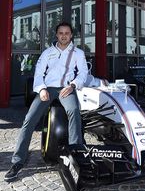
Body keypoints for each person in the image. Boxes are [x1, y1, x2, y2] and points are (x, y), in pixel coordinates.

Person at [5, 22, 88, 181]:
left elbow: (83, 74)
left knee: (74, 111)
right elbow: (38, 73)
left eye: (67, 33)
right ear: (56, 35)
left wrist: (72, 85)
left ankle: (75, 157)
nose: (64, 35)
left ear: (71, 35)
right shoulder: (47, 53)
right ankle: (17, 162)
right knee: (29, 120)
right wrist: (41, 89)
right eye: (61, 33)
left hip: (66, 89)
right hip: (48, 89)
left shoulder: (78, 53)